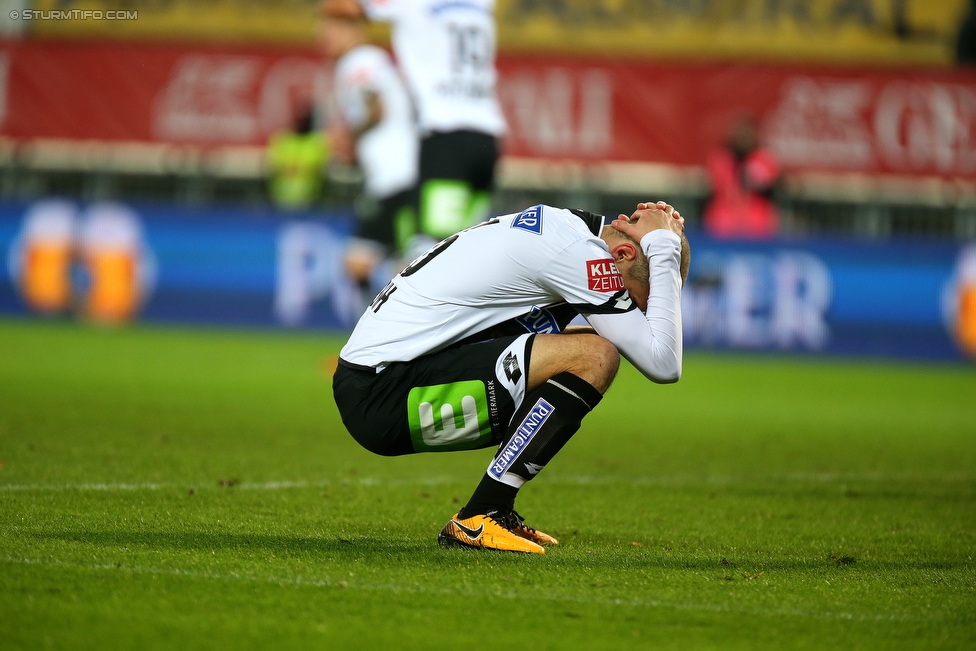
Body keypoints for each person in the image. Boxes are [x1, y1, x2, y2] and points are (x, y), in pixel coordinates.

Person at [333, 200, 689, 554]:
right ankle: (481, 514)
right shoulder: (580, 255)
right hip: (383, 394)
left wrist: (661, 245)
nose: (635, 313)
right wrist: (663, 246)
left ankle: (494, 509)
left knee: (592, 345)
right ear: (624, 254)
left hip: (382, 378)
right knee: (598, 356)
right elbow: (664, 365)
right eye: (637, 302)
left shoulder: (568, 228)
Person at [358, 0, 506, 247]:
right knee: (467, 248)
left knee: (431, 250)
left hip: (446, 137)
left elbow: (348, 7)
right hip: (487, 136)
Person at [320, 0, 420, 295]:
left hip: (393, 178)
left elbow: (376, 108)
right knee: (401, 265)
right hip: (403, 174)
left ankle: (377, 332)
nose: (324, 36)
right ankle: (392, 330)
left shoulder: (359, 61)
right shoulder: (375, 59)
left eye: (331, 29)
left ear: (353, 30)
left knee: (359, 261)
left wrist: (345, 137)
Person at [703, 114, 780, 240]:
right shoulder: (720, 159)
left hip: (758, 224)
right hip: (723, 222)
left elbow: (769, 189)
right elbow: (716, 187)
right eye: (740, 133)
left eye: (747, 133)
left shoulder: (765, 159)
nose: (744, 138)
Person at [265, 105, 330, 211]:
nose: (302, 122)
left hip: (309, 202)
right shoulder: (282, 140)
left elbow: (319, 168)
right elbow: (271, 167)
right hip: (280, 200)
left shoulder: (318, 142)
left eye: (306, 119)